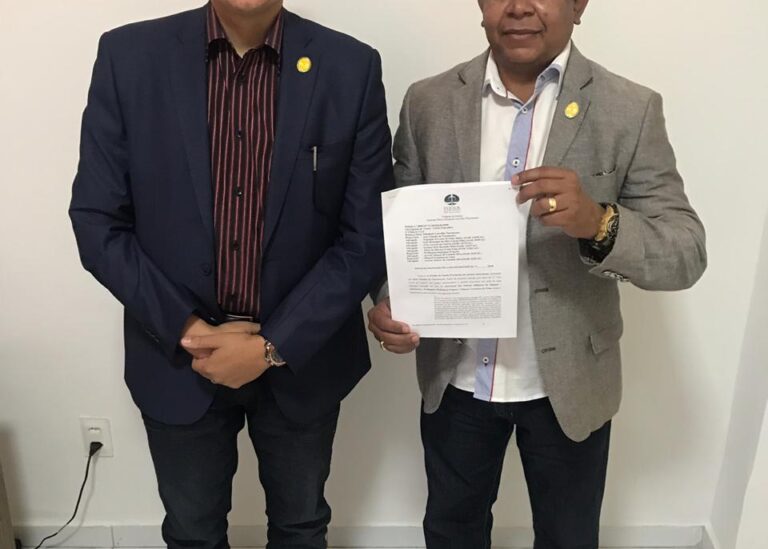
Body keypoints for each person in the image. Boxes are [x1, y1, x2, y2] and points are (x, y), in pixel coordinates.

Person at [367, 1, 706, 547]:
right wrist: (390, 299)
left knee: (568, 537)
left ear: (579, 5)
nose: (520, 6)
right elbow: (400, 229)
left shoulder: (630, 108)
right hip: (456, 379)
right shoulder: (428, 101)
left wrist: (598, 222)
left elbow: (685, 251)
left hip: (570, 383)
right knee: (451, 531)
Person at [69, 1, 393, 547]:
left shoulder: (350, 66)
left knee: (301, 528)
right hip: (176, 356)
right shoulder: (129, 57)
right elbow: (97, 221)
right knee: (192, 532)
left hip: (302, 358)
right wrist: (189, 330)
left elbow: (365, 235)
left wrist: (272, 346)